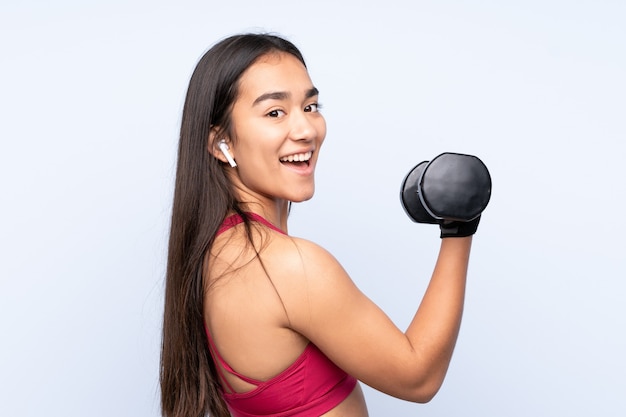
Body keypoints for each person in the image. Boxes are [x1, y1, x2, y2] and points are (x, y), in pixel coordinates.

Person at [160, 33, 476, 417]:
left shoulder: (213, 255)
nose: (307, 130)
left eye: (310, 106)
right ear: (221, 141)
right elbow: (418, 378)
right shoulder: (288, 266)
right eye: (275, 112)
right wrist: (460, 225)